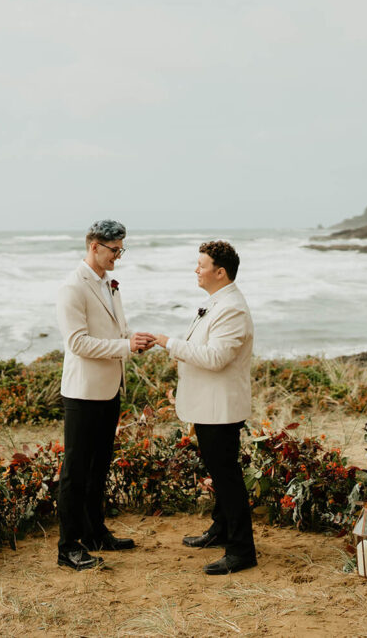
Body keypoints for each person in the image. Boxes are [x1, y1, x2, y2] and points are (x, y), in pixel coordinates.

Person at [151, 240, 257, 575]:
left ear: (220, 272)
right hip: (209, 405)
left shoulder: (232, 309)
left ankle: (241, 551)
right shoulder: (217, 302)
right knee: (220, 472)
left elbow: (215, 358)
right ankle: (220, 529)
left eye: (201, 265)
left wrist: (170, 344)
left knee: (227, 478)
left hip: (221, 408)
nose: (196, 269)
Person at [55, 219, 154, 571]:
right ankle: (68, 547)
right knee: (75, 471)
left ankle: (96, 534)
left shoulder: (108, 284)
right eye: (115, 250)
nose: (119, 256)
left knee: (99, 468)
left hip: (109, 389)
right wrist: (123, 345)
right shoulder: (72, 287)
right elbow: (77, 343)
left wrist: (131, 339)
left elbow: (114, 328)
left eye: (121, 249)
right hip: (82, 393)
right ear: (94, 246)